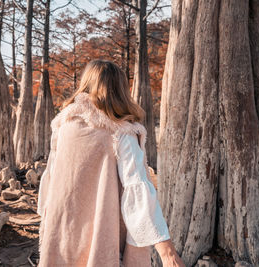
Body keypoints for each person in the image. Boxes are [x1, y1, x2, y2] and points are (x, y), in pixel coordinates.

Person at [37, 59, 185, 267]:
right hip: (102, 235)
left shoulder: (63, 125)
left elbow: (51, 179)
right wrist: (167, 252)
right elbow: (137, 190)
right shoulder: (121, 132)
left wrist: (48, 222)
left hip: (61, 233)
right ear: (120, 90)